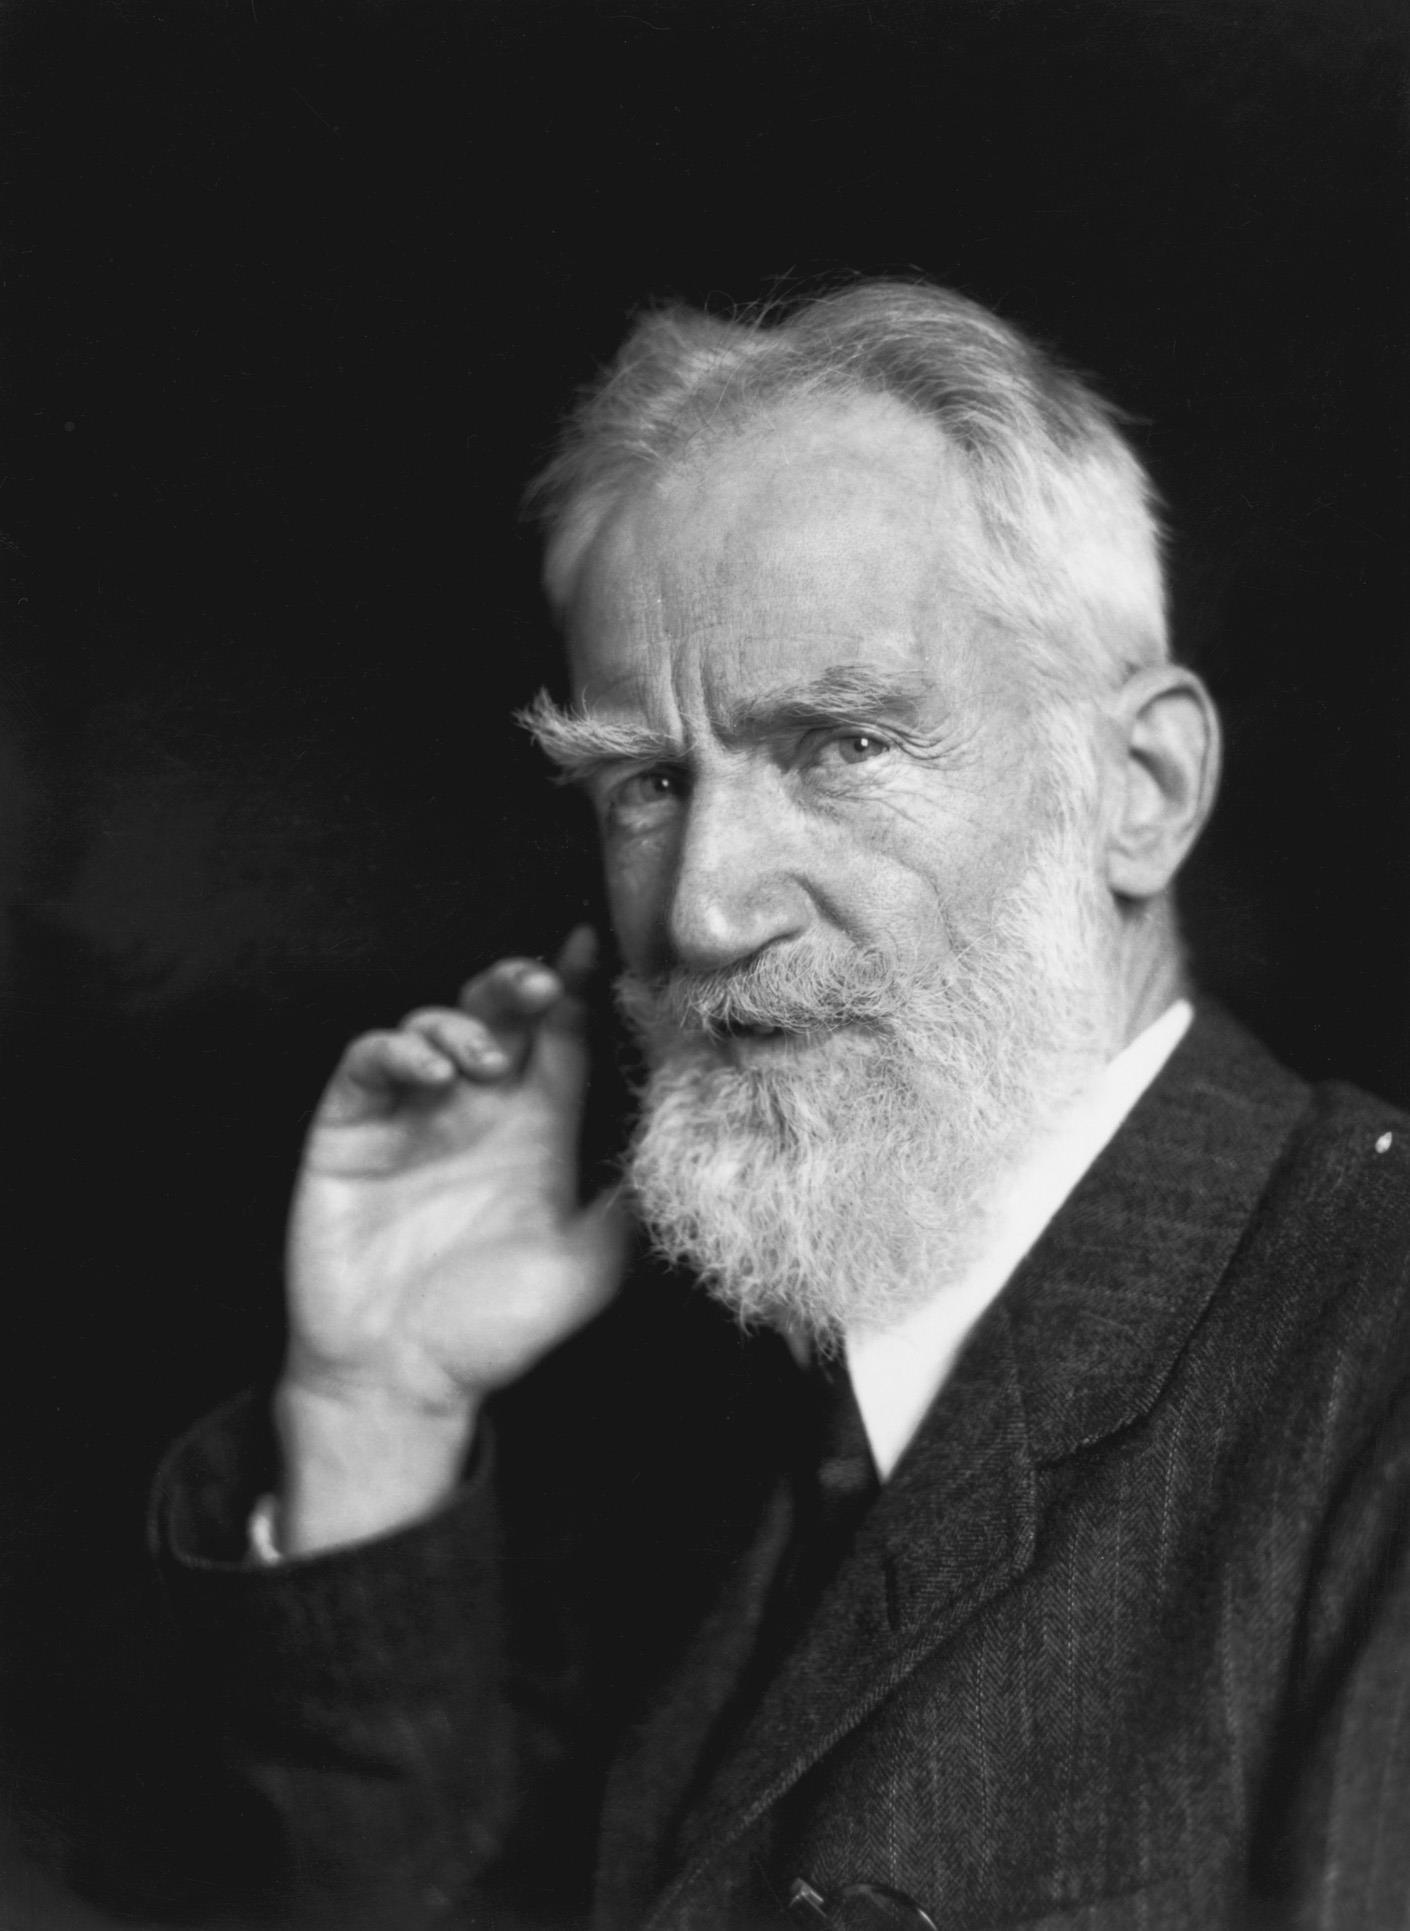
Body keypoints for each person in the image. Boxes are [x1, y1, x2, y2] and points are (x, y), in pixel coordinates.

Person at [155, 282, 1410, 1930]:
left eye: (840, 744)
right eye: (645, 781)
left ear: (1140, 790)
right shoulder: (724, 1366)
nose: (700, 911)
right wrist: (377, 1403)